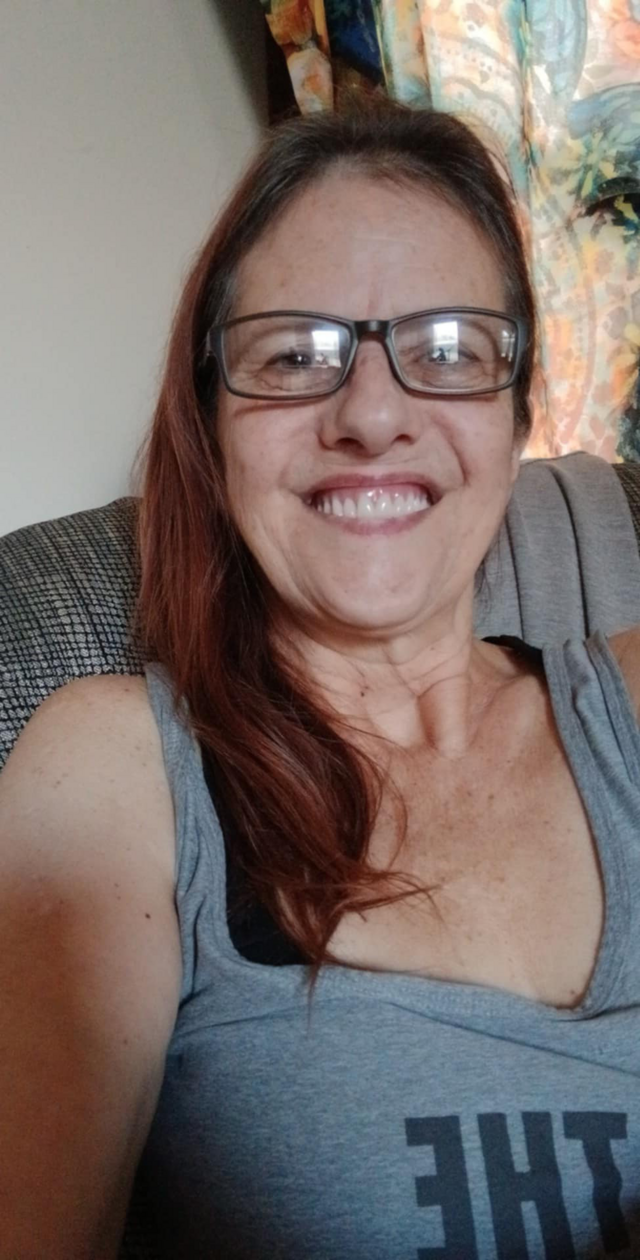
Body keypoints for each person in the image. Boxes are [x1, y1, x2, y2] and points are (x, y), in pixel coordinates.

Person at [2, 101, 640, 1260]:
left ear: (515, 413)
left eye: (446, 350)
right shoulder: (116, 771)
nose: (373, 415)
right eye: (294, 356)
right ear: (212, 422)